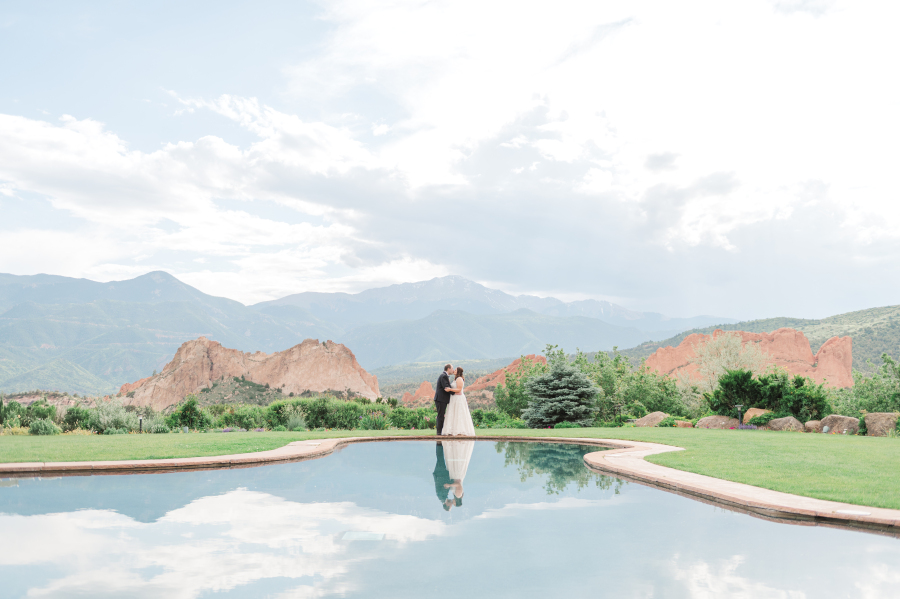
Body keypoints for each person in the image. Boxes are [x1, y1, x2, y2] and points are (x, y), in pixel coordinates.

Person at [442, 367, 475, 436]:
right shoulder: (455, 379)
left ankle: (460, 431)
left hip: (458, 399)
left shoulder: (459, 379)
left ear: (458, 372)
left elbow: (459, 389)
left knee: (459, 413)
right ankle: (452, 430)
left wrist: (450, 389)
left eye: (455, 370)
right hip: (454, 399)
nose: (454, 371)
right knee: (453, 413)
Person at [442, 439, 474, 511]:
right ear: (456, 502)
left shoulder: (457, 495)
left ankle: (455, 447)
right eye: (454, 504)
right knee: (457, 463)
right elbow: (458, 485)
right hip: (457, 476)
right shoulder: (458, 495)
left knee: (455, 462)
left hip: (456, 476)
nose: (453, 503)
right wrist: (449, 485)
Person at [433, 364, 455, 435]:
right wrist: (455, 392)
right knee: (440, 416)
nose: (453, 370)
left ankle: (440, 432)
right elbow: (446, 388)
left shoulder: (444, 376)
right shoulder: (444, 376)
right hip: (440, 399)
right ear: (448, 369)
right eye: (452, 368)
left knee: (441, 415)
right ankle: (439, 433)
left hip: (441, 399)